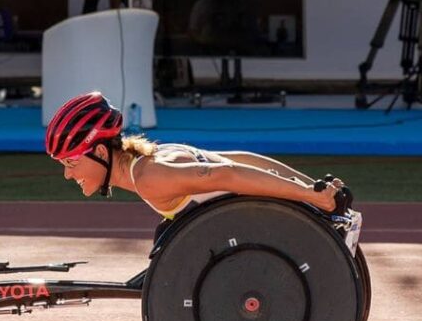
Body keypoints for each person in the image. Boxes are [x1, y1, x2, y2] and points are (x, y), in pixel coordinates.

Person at [45, 92, 343, 230]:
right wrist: (313, 187)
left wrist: (309, 195)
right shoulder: (156, 155)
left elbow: (228, 173)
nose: (68, 175)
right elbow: (240, 159)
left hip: (264, 230)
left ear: (100, 153)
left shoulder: (149, 177)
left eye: (70, 163)